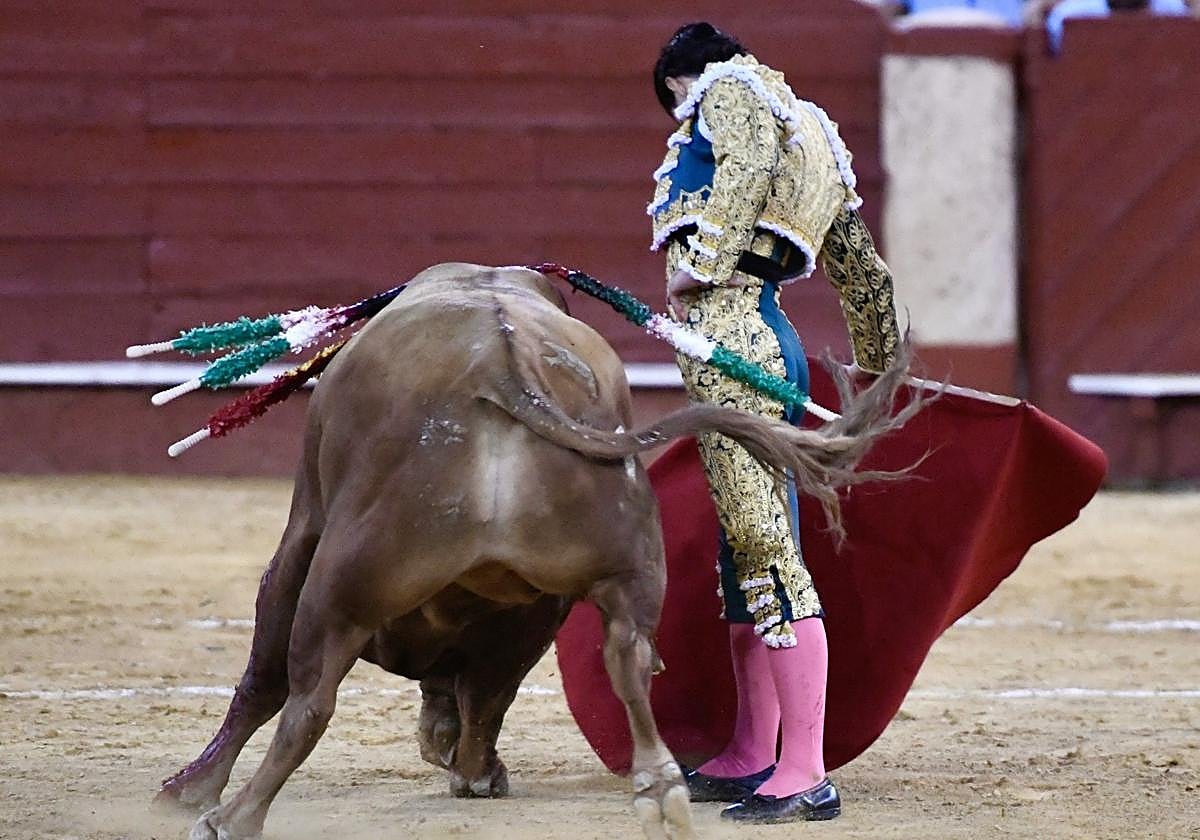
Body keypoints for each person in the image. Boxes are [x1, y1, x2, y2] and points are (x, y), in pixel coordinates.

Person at [649, 23, 900, 824]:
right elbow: (862, 268)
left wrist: (703, 263)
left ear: (684, 79)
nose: (681, 123)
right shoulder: (815, 132)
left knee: (765, 550)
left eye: (674, 105)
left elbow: (746, 161)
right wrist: (879, 371)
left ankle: (804, 769)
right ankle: (756, 749)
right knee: (746, 549)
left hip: (733, 339)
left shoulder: (730, 92)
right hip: (766, 334)